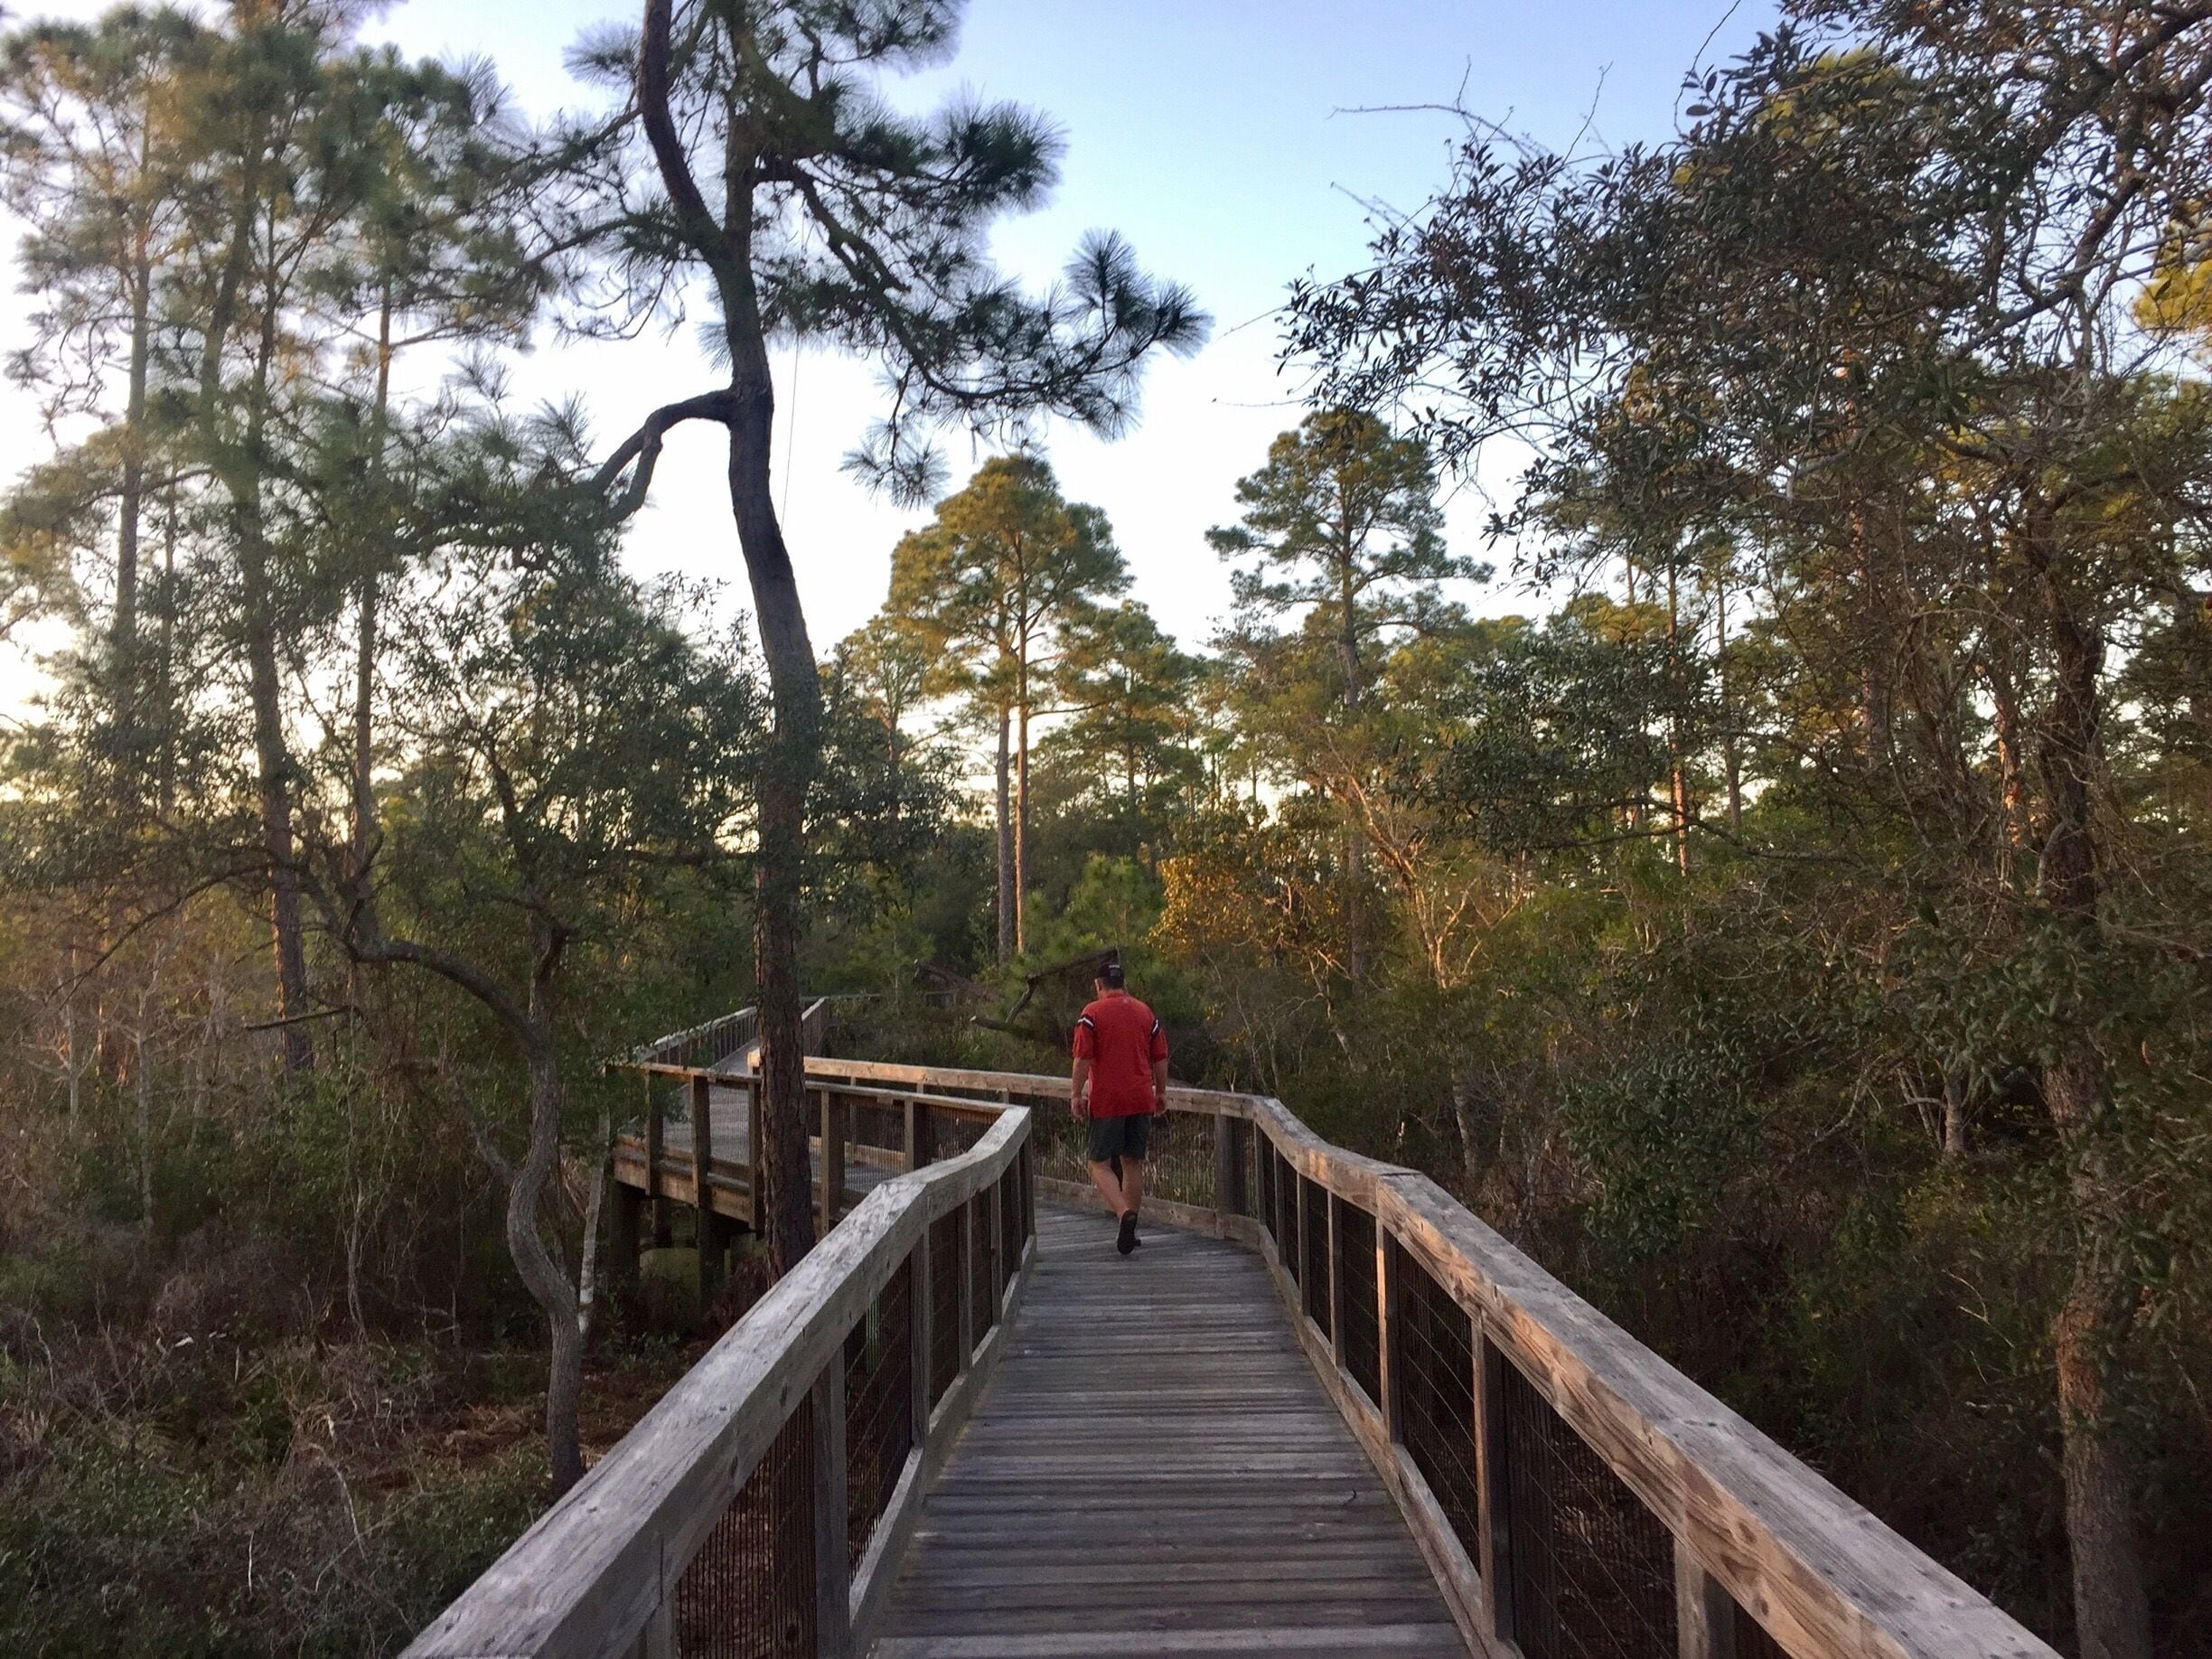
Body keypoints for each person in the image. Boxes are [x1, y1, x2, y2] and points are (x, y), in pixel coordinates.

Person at [1071, 959, 1169, 1255]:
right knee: (1132, 1162)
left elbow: (1082, 1058)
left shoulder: (1092, 1013)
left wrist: (1076, 1093)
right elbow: (1161, 1056)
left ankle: (1123, 1213)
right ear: (1124, 983)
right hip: (1141, 1097)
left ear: (1098, 985)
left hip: (1108, 1099)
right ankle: (1131, 1229)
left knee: (1098, 1162)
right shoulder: (1144, 1012)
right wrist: (1160, 1092)